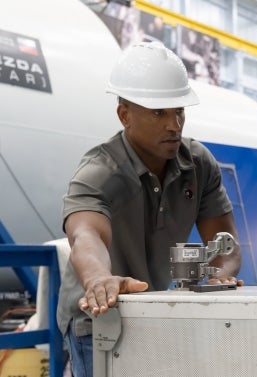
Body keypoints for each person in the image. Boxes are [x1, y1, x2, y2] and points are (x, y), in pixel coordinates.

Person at [56, 41, 243, 377]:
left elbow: (225, 243)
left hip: (158, 308)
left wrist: (220, 275)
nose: (174, 124)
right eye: (159, 113)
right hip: (99, 318)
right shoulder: (99, 172)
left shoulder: (198, 164)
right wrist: (100, 279)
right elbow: (86, 235)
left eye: (179, 111)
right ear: (124, 115)